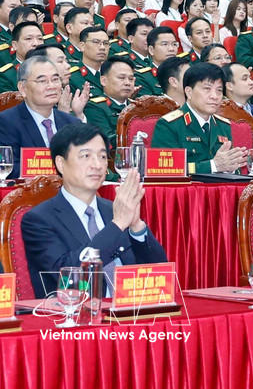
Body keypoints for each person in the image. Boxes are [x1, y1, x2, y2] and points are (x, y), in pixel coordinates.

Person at [21, 123, 167, 298]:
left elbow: (160, 273)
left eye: (103, 156)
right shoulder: (39, 220)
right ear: (61, 163)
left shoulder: (114, 209)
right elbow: (67, 276)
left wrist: (136, 225)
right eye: (85, 156)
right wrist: (118, 224)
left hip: (131, 311)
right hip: (76, 317)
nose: (97, 165)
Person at [151, 62, 248, 174]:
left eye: (219, 90)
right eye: (207, 89)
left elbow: (232, 167)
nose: (214, 96)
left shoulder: (223, 125)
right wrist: (213, 166)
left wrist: (231, 167)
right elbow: (165, 170)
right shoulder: (169, 125)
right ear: (189, 92)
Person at [0, 57, 82, 178]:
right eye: (42, 81)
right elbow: (7, 168)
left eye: (55, 79)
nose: (51, 86)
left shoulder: (72, 123)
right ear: (23, 88)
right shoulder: (6, 122)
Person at [83, 57, 136, 148]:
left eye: (131, 79)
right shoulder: (94, 107)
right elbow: (107, 140)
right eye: (121, 78)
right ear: (104, 80)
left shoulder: (138, 107)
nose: (128, 83)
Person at [135, 26, 179, 96]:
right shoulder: (142, 78)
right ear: (151, 50)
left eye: (174, 44)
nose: (171, 49)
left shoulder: (183, 73)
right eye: (164, 44)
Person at [68, 26, 110, 97]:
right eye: (96, 42)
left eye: (106, 43)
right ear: (82, 46)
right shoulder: (72, 77)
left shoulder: (112, 74)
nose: (102, 47)